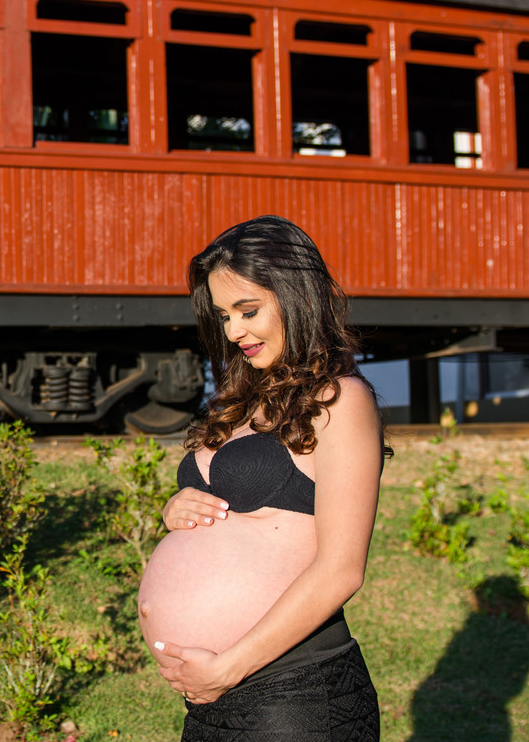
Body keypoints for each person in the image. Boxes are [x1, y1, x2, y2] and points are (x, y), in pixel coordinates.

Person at [135, 215, 387, 741]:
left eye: (248, 311)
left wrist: (227, 668)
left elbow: (342, 570)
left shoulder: (340, 400)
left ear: (298, 297)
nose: (233, 332)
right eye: (224, 315)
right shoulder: (243, 398)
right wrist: (177, 509)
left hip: (294, 695)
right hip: (210, 703)